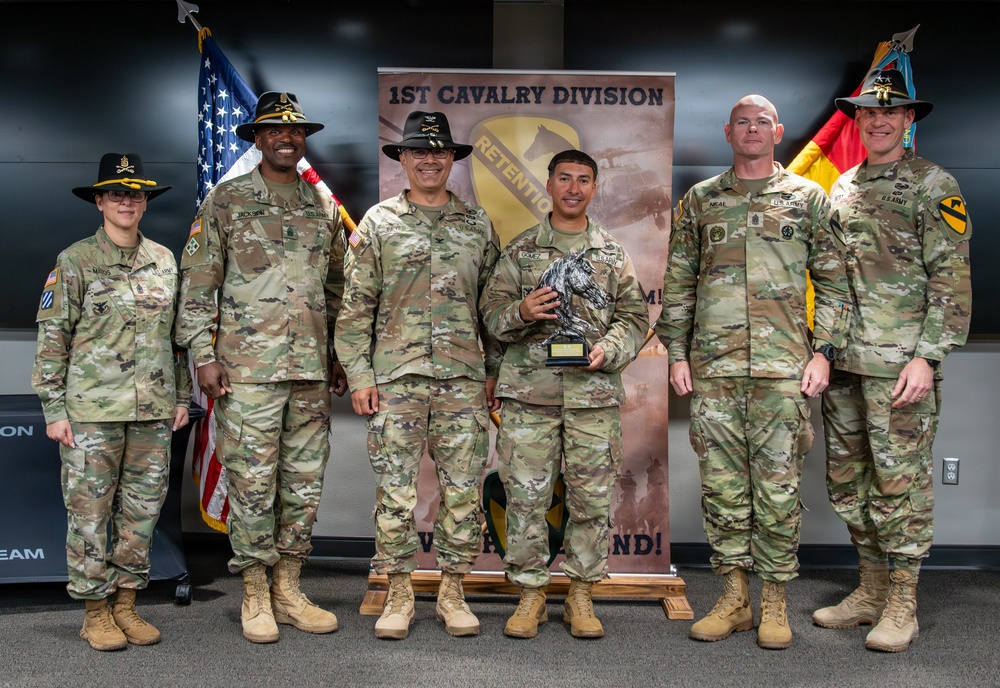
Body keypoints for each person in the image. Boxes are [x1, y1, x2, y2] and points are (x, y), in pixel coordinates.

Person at [655, 95, 851, 650]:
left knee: (778, 491)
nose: (752, 129)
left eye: (761, 122)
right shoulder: (701, 201)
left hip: (783, 371)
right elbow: (678, 283)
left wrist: (823, 353)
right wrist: (676, 353)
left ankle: (775, 605)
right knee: (722, 491)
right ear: (727, 132)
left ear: (778, 132)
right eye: (742, 122)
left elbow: (835, 283)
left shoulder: (808, 199)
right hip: (714, 371)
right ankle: (734, 600)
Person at [174, 92, 347, 643]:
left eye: (294, 132)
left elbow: (341, 287)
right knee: (251, 484)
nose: (285, 138)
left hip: (310, 374)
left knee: (303, 483)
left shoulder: (321, 207)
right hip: (246, 372)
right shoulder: (227, 201)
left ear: (303, 140)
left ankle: (289, 588)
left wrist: (340, 355)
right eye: (274, 130)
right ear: (256, 137)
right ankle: (254, 592)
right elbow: (198, 284)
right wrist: (203, 354)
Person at [813, 69, 972, 653]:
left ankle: (903, 602)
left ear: (909, 121)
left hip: (901, 364)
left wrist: (928, 357)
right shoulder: (845, 184)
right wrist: (824, 349)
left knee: (899, 484)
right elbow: (830, 280)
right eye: (867, 113)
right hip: (847, 364)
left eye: (891, 112)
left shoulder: (934, 184)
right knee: (848, 481)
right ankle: (871, 589)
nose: (877, 120)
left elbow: (951, 280)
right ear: (858, 122)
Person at [334, 111, 500, 640]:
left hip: (463, 383)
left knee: (461, 492)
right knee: (396, 493)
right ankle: (399, 592)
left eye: (439, 152)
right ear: (402, 160)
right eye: (418, 152)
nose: (430, 159)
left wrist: (494, 372)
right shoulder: (378, 224)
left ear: (451, 160)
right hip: (396, 382)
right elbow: (355, 308)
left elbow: (493, 309)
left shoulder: (477, 225)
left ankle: (453, 591)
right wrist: (359, 376)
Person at [480, 149, 649, 639]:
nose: (573, 188)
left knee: (591, 500)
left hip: (592, 398)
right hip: (529, 398)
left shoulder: (612, 253)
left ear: (595, 188)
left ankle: (581, 593)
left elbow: (635, 318)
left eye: (583, 180)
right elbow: (490, 320)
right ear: (549, 184)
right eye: (564, 178)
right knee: (526, 499)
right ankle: (530, 594)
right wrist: (522, 312)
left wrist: (609, 350)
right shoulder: (521, 250)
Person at [32, 153, 190, 651]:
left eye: (136, 193)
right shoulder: (75, 260)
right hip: (91, 414)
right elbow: (53, 340)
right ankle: (94, 611)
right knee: (90, 514)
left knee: (142, 513)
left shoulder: (164, 260)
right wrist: (54, 410)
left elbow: (178, 338)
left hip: (153, 412)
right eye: (117, 193)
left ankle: (126, 604)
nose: (127, 201)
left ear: (145, 203)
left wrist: (182, 397)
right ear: (100, 201)